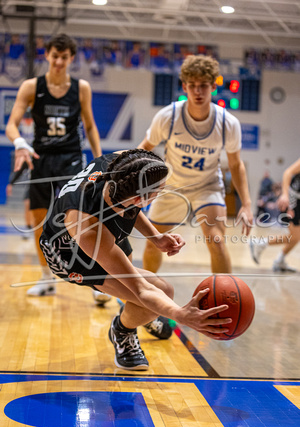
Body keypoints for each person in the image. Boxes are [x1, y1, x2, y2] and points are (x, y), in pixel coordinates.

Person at [39, 149, 232, 370]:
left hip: (102, 230)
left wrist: (157, 237)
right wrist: (179, 314)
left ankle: (140, 315)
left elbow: (131, 204)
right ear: (140, 198)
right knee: (160, 292)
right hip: (70, 257)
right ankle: (122, 331)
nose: (162, 191)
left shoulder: (121, 166)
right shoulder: (89, 228)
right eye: (158, 190)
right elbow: (142, 289)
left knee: (140, 290)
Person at [5, 33, 102, 297]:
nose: (59, 61)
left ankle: (97, 281)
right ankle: (46, 276)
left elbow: (90, 126)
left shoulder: (81, 88)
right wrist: (19, 144)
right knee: (38, 220)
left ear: (71, 59)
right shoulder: (30, 86)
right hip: (40, 158)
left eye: (64, 57)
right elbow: (11, 124)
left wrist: (98, 159)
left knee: (79, 220)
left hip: (70, 157)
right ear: (47, 55)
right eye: (55, 56)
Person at [139, 54, 253, 275]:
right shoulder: (168, 116)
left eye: (203, 86)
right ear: (184, 87)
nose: (198, 92)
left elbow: (236, 164)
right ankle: (145, 295)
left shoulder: (227, 123)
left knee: (217, 241)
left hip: (207, 186)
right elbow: (144, 148)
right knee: (154, 244)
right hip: (171, 185)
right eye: (192, 86)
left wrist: (247, 204)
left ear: (213, 87)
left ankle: (224, 299)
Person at [250, 158, 300, 272]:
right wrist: (285, 196)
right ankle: (261, 244)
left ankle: (279, 260)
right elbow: (288, 172)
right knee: (295, 236)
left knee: (296, 237)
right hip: (292, 201)